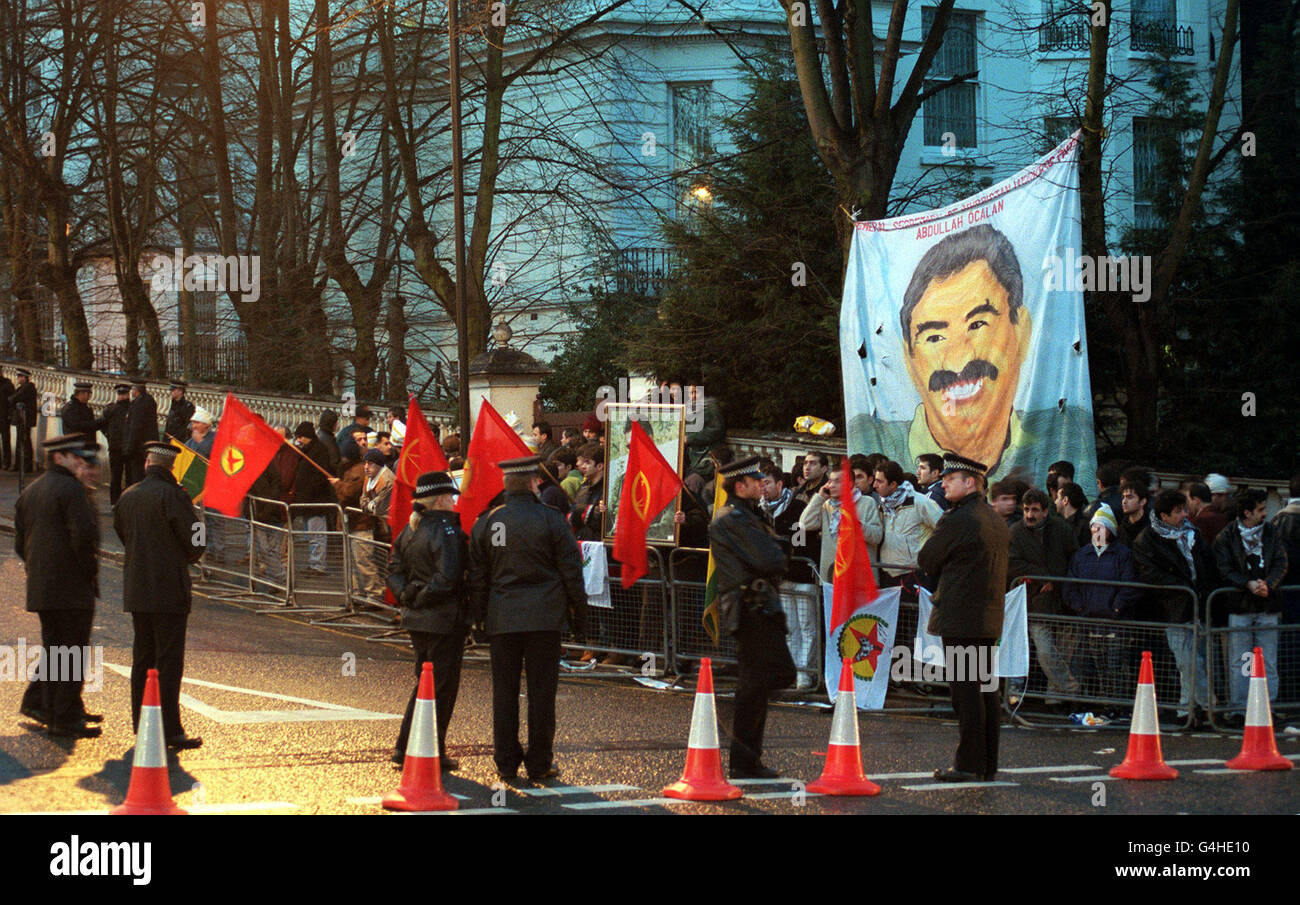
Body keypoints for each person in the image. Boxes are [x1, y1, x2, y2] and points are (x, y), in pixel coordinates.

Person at [467, 455, 588, 782]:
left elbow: (478, 577)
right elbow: (571, 571)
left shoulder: (490, 522)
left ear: (505, 484)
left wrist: (478, 620)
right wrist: (580, 618)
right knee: (542, 693)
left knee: (504, 692)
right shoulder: (551, 520)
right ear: (535, 483)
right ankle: (539, 762)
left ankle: (506, 762)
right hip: (544, 618)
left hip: (503, 617)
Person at [918, 452, 1009, 783]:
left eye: (950, 479)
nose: (943, 483)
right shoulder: (994, 518)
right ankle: (987, 763)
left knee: (966, 694)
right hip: (987, 618)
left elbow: (927, 558)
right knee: (986, 691)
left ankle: (969, 764)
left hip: (961, 617)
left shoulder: (958, 519)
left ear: (970, 482)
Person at [114, 440, 207, 750]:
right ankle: (169, 729)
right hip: (169, 590)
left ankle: (141, 724)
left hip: (137, 588)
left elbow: (122, 533)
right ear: (171, 467)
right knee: (168, 661)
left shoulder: (128, 496)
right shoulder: (176, 497)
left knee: (142, 658)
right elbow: (197, 542)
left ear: (147, 464)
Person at [710, 456, 795, 778]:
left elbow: (775, 555)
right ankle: (739, 741)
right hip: (750, 608)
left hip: (759, 606)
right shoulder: (733, 519)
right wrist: (779, 550)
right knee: (772, 676)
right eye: (754, 481)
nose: (762, 484)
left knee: (758, 683)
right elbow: (772, 559)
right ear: (739, 486)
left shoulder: (747, 515)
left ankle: (746, 759)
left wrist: (778, 551)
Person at [15, 434, 102, 738]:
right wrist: (87, 573)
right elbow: (82, 538)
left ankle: (52, 709)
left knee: (55, 651)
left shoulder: (31, 491)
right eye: (73, 457)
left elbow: (19, 543)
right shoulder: (71, 489)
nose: (80, 462)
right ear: (58, 458)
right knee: (71, 653)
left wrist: (40, 570)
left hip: (42, 588)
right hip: (71, 589)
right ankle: (64, 719)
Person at [388, 471, 469, 769]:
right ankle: (424, 748)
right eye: (451, 497)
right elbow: (447, 578)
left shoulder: (409, 530)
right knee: (440, 688)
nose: (454, 502)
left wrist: (407, 596)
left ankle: (411, 747)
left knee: (424, 683)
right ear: (441, 500)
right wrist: (419, 596)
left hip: (417, 620)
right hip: (443, 620)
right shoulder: (447, 532)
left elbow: (394, 571)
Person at [1132, 489, 1218, 723]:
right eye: (1178, 511)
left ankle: (1187, 709)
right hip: (1173, 608)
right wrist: (1185, 587)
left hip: (1196, 604)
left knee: (1193, 660)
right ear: (1164, 515)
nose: (1184, 515)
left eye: (1184, 509)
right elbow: (1150, 574)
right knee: (1188, 661)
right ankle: (1207, 706)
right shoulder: (1146, 540)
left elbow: (1207, 564)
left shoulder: (1193, 534)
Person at [1214, 488, 1288, 719]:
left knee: (1267, 660)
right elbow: (1223, 568)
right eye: (1261, 509)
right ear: (1247, 512)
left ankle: (1267, 706)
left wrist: (1269, 583)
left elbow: (1280, 561)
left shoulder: (1271, 532)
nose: (1265, 513)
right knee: (1241, 661)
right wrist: (1247, 584)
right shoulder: (1226, 536)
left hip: (1265, 604)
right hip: (1241, 604)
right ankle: (1239, 708)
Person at [1007, 488, 1082, 703]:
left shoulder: (1061, 529)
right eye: (1026, 510)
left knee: (1061, 654)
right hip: (1035, 600)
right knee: (1046, 652)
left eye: (1035, 510)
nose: (1030, 515)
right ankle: (1070, 688)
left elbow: (1073, 559)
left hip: (1061, 599)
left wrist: (1057, 581)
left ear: (1046, 511)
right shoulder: (1015, 532)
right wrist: (1044, 577)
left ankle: (1054, 699)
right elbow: (1012, 564)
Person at [1063, 504, 1143, 703]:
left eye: (1102, 527)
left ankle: (1117, 703)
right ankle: (1105, 702)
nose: (1097, 531)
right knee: (1098, 665)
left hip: (1115, 621)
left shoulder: (1123, 555)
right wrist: (1079, 606)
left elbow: (1129, 583)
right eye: (1095, 526)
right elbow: (1070, 585)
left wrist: (1117, 606)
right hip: (1090, 620)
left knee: (1115, 664)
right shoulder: (1081, 555)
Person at [873, 459, 943, 591]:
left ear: (893, 484)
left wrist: (929, 558)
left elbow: (944, 529)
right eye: (875, 480)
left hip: (913, 574)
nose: (874, 485)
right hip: (887, 573)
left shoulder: (920, 502)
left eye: (879, 481)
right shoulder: (882, 505)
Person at [291, 421, 340, 573]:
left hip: (316, 502)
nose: (299, 440)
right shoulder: (306, 450)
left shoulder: (319, 451)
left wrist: (307, 492)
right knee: (311, 535)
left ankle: (318, 564)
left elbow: (318, 478)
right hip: (307, 502)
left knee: (317, 535)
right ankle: (314, 562)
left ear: (308, 436)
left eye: (301, 437)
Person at [353, 449, 395, 599]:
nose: (366, 467)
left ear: (378, 465)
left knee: (378, 561)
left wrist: (369, 506)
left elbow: (378, 507)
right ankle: (365, 593)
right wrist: (368, 506)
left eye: (370, 464)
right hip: (377, 523)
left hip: (387, 525)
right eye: (364, 463)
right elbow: (363, 500)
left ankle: (377, 594)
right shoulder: (369, 477)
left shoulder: (387, 481)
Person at [124, 378, 158, 487]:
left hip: (139, 447)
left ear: (136, 390)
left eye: (132, 389)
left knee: (137, 476)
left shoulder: (138, 404)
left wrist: (129, 447)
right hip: (149, 444)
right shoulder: (150, 400)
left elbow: (135, 427)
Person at [102, 383, 132, 503]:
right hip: (116, 447)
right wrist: (109, 436)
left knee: (129, 476)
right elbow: (103, 425)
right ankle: (115, 501)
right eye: (120, 394)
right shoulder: (110, 409)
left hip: (128, 447)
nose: (122, 397)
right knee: (116, 477)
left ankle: (127, 500)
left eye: (124, 394)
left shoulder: (132, 408)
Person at [10, 368, 38, 473]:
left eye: (19, 377)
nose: (18, 379)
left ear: (25, 378)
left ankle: (26, 465)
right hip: (21, 419)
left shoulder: (28, 388)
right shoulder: (22, 388)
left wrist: (11, 399)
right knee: (21, 441)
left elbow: (14, 398)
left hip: (25, 419)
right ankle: (19, 464)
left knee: (25, 441)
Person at [1193, 473, 1233, 545]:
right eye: (1226, 495)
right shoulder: (1206, 519)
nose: (1227, 500)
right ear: (1214, 495)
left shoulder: (1201, 517)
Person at [1056, 481, 1091, 546]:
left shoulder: (1083, 526)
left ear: (1065, 500)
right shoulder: (1087, 523)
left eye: (1057, 498)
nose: (1055, 502)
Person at [1117, 480, 1150, 548]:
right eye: (1123, 497)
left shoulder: (1151, 529)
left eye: (1130, 497)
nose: (1124, 501)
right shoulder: (1121, 528)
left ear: (1142, 501)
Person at [317, 410, 342, 474]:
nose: (337, 424)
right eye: (336, 422)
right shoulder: (329, 440)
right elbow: (334, 462)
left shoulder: (319, 434)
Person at [0, 369, 12, 469]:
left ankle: (6, 462)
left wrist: (9, 414)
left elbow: (11, 400)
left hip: (4, 416)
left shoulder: (7, 384)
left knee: (5, 440)